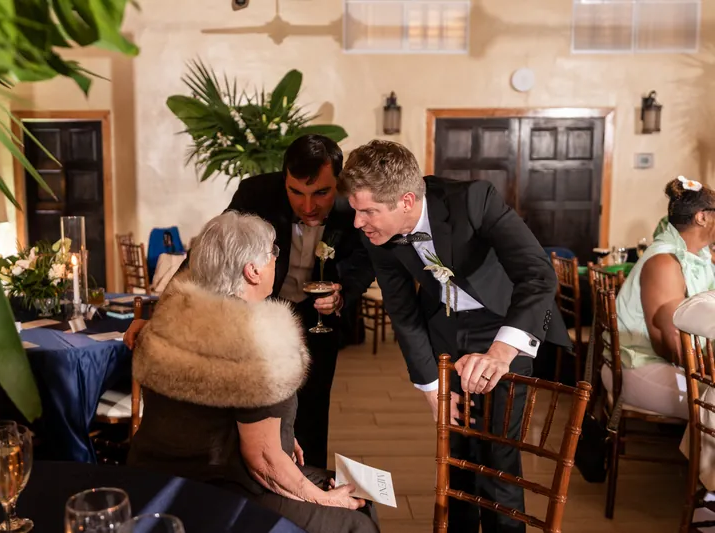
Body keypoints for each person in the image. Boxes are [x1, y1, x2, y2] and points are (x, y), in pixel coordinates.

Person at [337, 140, 569, 533]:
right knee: (455, 455)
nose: (358, 222)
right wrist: (431, 389)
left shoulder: (474, 200)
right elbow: (402, 310)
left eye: (369, 211)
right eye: (356, 210)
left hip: (504, 328)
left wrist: (499, 352)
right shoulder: (375, 231)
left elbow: (538, 274)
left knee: (498, 459)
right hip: (444, 331)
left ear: (406, 201)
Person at [125, 134, 375, 469]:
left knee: (314, 411)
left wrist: (344, 292)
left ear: (338, 184)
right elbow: (205, 255)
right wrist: (161, 318)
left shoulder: (352, 207)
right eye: (296, 192)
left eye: (321, 193)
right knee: (259, 407)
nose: (308, 206)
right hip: (259, 315)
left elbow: (365, 259)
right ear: (284, 178)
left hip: (318, 321)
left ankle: (308, 485)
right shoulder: (256, 193)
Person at [128, 212, 378, 533]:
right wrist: (325, 500)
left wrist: (280, 428)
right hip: (213, 488)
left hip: (153, 470)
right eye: (273, 252)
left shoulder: (171, 320)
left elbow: (209, 414)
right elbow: (264, 462)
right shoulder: (256, 340)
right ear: (253, 271)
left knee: (352, 495)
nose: (277, 257)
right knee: (355, 521)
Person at [604, 176, 715, 419]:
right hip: (640, 366)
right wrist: (710, 371)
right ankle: (698, 457)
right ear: (702, 217)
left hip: (673, 363)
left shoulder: (700, 255)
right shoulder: (664, 262)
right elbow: (668, 345)